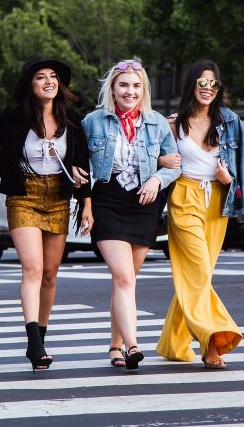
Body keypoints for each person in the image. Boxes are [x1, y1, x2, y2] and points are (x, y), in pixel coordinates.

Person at [156, 60, 244, 369]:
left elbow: (242, 167)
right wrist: (161, 159)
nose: (208, 89)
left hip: (217, 202)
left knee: (198, 275)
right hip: (184, 197)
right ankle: (214, 340)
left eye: (213, 84)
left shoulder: (230, 122)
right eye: (202, 82)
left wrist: (229, 181)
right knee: (197, 271)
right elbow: (150, 157)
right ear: (191, 85)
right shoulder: (173, 124)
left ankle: (173, 343)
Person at [82, 59, 180, 371]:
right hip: (108, 201)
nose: (130, 91)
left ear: (144, 90)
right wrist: (83, 201)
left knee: (125, 281)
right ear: (112, 88)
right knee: (124, 277)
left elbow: (175, 164)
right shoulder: (93, 122)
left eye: (136, 86)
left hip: (144, 203)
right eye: (123, 85)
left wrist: (156, 179)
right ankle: (133, 345)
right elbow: (78, 162)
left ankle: (115, 345)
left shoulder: (157, 123)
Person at [0, 56, 91, 371]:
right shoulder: (12, 118)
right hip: (24, 195)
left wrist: (85, 199)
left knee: (50, 273)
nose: (48, 81)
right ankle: (33, 343)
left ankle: (42, 336)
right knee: (33, 268)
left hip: (58, 198)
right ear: (30, 84)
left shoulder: (71, 119)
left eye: (53, 77)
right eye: (40, 77)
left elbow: (81, 163)